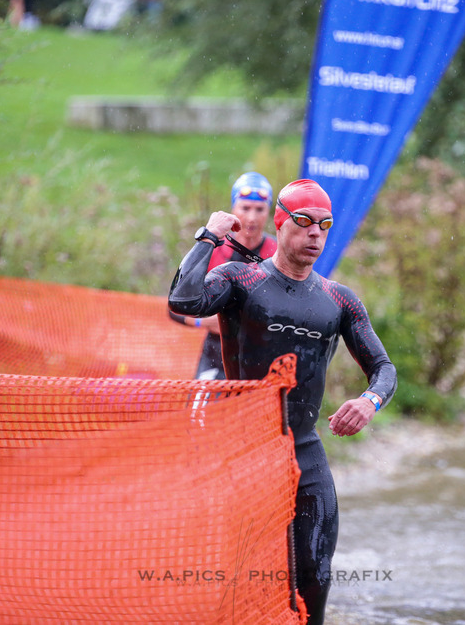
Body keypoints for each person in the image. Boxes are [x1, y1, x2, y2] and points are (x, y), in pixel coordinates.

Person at [168, 178, 397, 623]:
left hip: (304, 449)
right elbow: (183, 299)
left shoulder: (339, 300)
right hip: (247, 451)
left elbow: (384, 369)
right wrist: (209, 237)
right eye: (305, 222)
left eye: (324, 226)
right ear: (281, 222)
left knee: (314, 572)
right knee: (249, 574)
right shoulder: (240, 279)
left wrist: (370, 401)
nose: (315, 233)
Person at [169, 171, 277, 380]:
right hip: (215, 355)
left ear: (269, 212)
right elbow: (174, 308)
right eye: (245, 208)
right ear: (233, 209)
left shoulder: (277, 252)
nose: (252, 217)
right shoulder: (214, 250)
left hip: (261, 357)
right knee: (200, 414)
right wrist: (203, 322)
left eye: (260, 209)